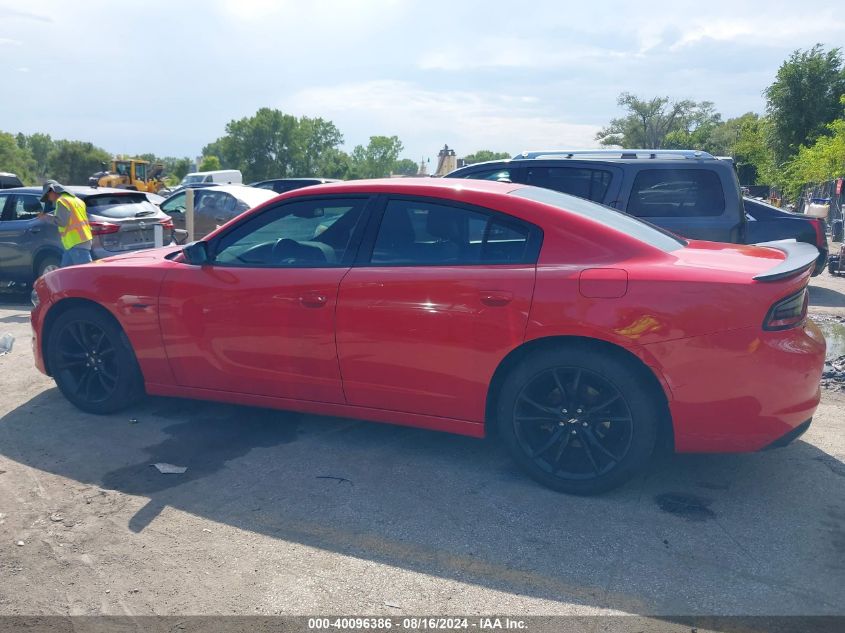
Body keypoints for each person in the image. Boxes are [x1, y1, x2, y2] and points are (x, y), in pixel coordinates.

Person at [37, 180, 93, 267]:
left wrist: (45, 217)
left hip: (76, 242)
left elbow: (61, 222)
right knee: (65, 273)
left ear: (52, 191)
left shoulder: (61, 201)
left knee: (87, 273)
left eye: (47, 195)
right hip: (80, 240)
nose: (48, 198)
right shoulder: (76, 200)